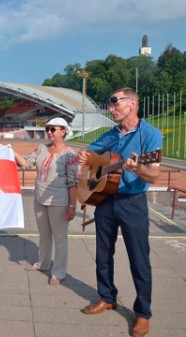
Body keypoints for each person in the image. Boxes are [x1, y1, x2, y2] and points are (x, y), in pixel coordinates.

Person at [77, 88, 162, 337]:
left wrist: (137, 169)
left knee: (139, 258)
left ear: (132, 104)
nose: (111, 108)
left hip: (132, 202)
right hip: (105, 200)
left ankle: (143, 313)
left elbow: (154, 174)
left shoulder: (150, 134)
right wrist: (86, 156)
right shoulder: (112, 134)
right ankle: (106, 296)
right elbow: (91, 154)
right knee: (103, 254)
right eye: (110, 104)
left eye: (115, 103)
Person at [15, 117, 78, 285]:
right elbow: (26, 164)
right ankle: (43, 263)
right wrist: (11, 152)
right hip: (40, 198)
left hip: (59, 201)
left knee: (60, 238)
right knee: (44, 235)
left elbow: (73, 183)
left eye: (53, 129)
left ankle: (59, 272)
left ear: (63, 131)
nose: (49, 132)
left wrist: (72, 206)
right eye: (47, 129)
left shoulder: (69, 155)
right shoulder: (42, 148)